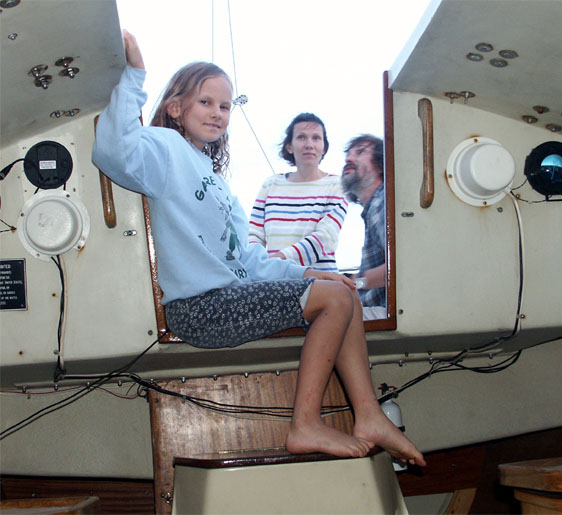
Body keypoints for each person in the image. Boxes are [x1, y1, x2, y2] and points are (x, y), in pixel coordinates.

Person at [92, 30, 425, 466]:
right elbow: (113, 151)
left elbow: (248, 260)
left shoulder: (217, 183)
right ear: (175, 107)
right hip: (199, 308)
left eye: (225, 106)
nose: (218, 113)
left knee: (341, 292)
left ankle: (368, 416)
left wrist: (310, 273)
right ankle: (306, 424)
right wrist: (135, 73)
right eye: (206, 102)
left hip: (227, 298)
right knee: (334, 300)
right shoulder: (166, 148)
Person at [249, 113, 347, 272]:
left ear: (324, 147)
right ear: (289, 146)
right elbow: (254, 235)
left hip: (321, 281)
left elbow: (326, 237)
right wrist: (258, 266)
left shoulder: (336, 184)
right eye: (301, 137)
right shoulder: (271, 184)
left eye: (316, 138)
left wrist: (278, 261)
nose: (309, 144)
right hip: (275, 281)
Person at [342, 135, 387, 320]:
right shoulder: (374, 208)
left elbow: (402, 267)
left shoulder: (382, 203)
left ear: (381, 164)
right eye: (348, 154)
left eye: (360, 152)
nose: (349, 159)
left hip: (387, 314)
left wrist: (355, 281)